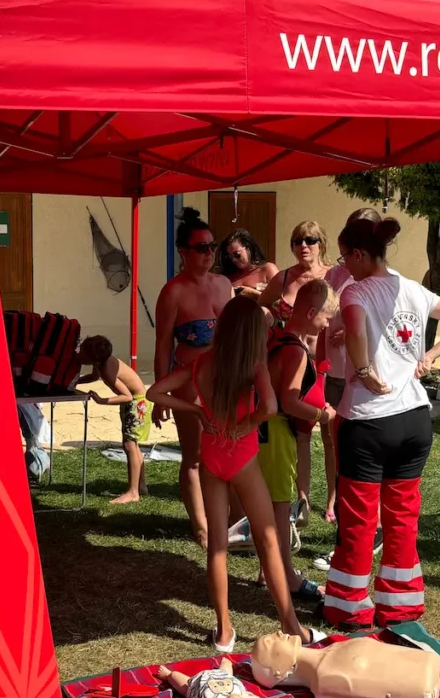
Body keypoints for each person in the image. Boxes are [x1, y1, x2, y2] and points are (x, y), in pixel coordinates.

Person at [321, 217, 440, 631]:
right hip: (414, 418)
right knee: (402, 517)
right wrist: (430, 356)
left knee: (358, 519)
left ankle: (349, 606)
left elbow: (356, 330)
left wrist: (362, 370)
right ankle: (401, 603)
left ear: (359, 254)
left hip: (368, 421)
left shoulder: (355, 291)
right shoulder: (412, 288)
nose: (343, 265)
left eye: (344, 257)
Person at [148, 296, 324, 652]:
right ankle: (291, 626)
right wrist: (249, 423)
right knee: (268, 540)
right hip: (242, 457)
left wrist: (197, 411)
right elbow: (271, 406)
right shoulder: (254, 365)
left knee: (217, 545)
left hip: (212, 454)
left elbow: (155, 391)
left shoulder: (202, 362)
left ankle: (224, 630)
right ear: (253, 333)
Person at [153, 207, 233, 547]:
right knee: (195, 455)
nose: (209, 253)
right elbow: (162, 344)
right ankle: (201, 527)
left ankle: (225, 519)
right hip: (190, 381)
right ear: (183, 251)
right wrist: (160, 396)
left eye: (212, 246)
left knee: (227, 449)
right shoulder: (173, 292)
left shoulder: (224, 284)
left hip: (225, 380)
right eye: (201, 247)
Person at [255, 279, 338, 601]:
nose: (328, 324)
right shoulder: (295, 351)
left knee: (267, 504)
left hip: (265, 430)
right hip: (277, 431)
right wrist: (322, 415)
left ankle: (268, 570)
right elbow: (289, 401)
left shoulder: (277, 337)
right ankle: (287, 576)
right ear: (312, 313)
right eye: (327, 317)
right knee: (278, 508)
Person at [313, 207, 384, 572]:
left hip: (365, 379)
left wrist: (355, 332)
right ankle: (344, 520)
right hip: (338, 373)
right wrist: (322, 362)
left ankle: (367, 534)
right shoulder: (337, 274)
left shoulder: (384, 280)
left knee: (364, 459)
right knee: (339, 449)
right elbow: (324, 316)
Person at [257, 221, 330, 521]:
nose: (303, 246)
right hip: (292, 358)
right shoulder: (284, 277)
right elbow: (261, 306)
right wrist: (271, 319)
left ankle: (331, 501)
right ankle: (300, 499)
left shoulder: (331, 276)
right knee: (297, 432)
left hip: (320, 363)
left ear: (321, 243)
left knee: (326, 435)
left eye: (310, 240)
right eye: (297, 241)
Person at [76, 335, 152, 504]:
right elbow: (93, 377)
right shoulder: (101, 363)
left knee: (130, 445)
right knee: (132, 445)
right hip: (135, 402)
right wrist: (77, 381)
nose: (79, 355)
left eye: (82, 353)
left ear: (92, 357)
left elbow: (127, 396)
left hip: (137, 403)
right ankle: (140, 486)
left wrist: (102, 400)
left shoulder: (107, 370)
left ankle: (133, 493)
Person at [219, 229, 279, 300]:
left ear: (248, 248)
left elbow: (280, 301)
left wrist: (252, 293)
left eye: (237, 254)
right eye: (230, 257)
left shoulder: (267, 269)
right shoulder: (229, 275)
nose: (234, 260)